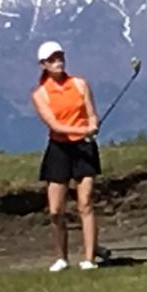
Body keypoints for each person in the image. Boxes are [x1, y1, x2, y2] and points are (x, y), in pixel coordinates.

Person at [31, 40, 104, 272]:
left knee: (86, 203)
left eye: (60, 56)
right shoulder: (41, 94)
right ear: (43, 64)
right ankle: (61, 256)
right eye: (52, 59)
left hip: (84, 148)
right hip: (59, 149)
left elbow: (91, 114)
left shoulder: (80, 84)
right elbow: (55, 125)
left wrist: (92, 125)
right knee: (55, 210)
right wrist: (84, 130)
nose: (58, 62)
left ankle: (90, 258)